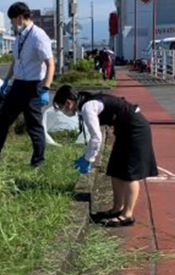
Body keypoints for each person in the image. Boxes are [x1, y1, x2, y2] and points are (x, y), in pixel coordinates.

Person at [53, 85, 158, 227]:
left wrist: (88, 159)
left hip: (135, 129)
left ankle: (127, 215)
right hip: (124, 130)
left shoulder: (87, 107)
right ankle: (116, 208)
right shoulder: (86, 103)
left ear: (68, 103)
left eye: (62, 107)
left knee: (130, 174)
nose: (64, 111)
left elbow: (96, 138)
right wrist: (88, 156)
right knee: (115, 170)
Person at [0, 2, 55, 168]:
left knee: (33, 126)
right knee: (2, 120)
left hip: (34, 86)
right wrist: (6, 80)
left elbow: (51, 64)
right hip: (18, 85)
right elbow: (16, 61)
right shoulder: (19, 36)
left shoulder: (38, 36)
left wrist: (45, 89)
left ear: (21, 17)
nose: (11, 23)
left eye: (12, 19)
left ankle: (38, 162)